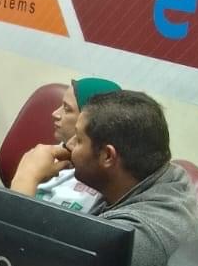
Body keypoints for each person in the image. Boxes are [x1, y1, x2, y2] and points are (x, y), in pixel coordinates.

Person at [63, 90, 198, 266]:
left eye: (79, 139)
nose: (69, 145)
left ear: (107, 156)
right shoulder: (168, 175)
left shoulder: (138, 236)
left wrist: (27, 178)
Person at [11, 76, 121, 212]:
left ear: (88, 119)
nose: (55, 113)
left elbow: (15, 221)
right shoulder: (50, 154)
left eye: (67, 109)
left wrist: (27, 177)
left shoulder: (96, 180)